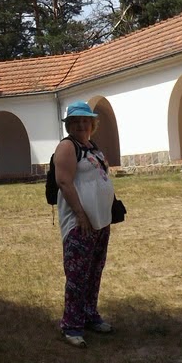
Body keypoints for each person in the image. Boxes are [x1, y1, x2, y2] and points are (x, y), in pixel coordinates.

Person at [52, 101, 116, 348]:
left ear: (92, 124)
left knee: (94, 271)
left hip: (100, 221)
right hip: (81, 222)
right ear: (69, 125)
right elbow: (65, 183)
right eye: (76, 121)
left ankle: (90, 315)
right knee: (77, 275)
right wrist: (80, 214)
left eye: (85, 121)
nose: (81, 125)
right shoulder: (67, 147)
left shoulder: (92, 146)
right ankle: (71, 325)